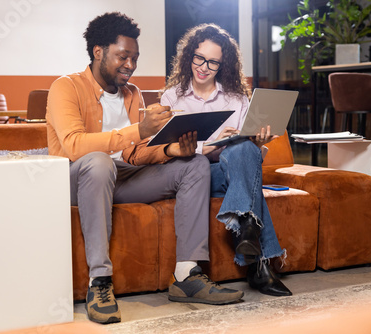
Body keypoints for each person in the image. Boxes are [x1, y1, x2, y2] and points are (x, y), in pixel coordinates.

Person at [46, 13, 243, 325]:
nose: (130, 65)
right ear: (98, 51)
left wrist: (169, 149)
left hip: (122, 178)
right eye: (122, 56)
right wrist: (138, 130)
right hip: (77, 179)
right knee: (98, 162)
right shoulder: (65, 87)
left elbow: (133, 154)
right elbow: (73, 145)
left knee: (194, 163)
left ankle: (186, 276)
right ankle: (100, 283)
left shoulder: (132, 93)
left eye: (134, 58)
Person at [161, 23, 292, 297]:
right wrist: (207, 147)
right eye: (199, 58)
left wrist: (256, 143)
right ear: (190, 56)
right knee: (236, 158)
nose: (204, 67)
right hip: (194, 177)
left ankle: (248, 232)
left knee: (243, 149)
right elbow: (166, 151)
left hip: (232, 174)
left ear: (223, 65)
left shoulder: (236, 99)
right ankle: (259, 266)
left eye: (213, 62)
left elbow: (248, 159)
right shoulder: (172, 97)